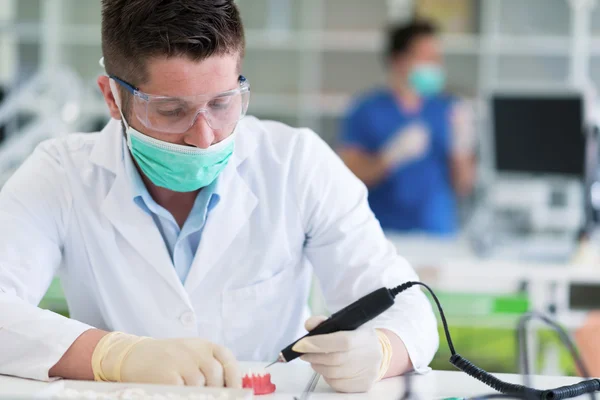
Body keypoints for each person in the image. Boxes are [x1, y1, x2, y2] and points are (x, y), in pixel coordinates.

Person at [0, 0, 438, 394]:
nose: (204, 136)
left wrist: (382, 351)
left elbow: (408, 308)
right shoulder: (62, 174)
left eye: (222, 103)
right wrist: (114, 356)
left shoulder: (296, 164)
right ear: (113, 98)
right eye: (172, 111)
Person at [337, 19, 476, 236]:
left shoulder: (448, 110)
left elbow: (463, 185)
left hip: (437, 233)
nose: (436, 65)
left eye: (438, 58)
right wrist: (389, 157)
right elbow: (349, 179)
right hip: (381, 234)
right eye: (427, 58)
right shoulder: (366, 110)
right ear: (398, 60)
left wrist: (462, 145)